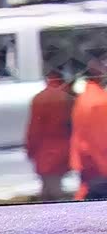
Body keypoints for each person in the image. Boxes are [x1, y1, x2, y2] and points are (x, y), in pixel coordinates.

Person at [25, 66, 75, 201]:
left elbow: (34, 129)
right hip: (64, 147)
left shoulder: (40, 98)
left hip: (45, 151)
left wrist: (30, 150)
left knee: (52, 189)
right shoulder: (69, 97)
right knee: (50, 188)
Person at [70, 58, 107, 201]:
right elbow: (100, 141)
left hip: (87, 163)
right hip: (98, 166)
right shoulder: (99, 101)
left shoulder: (84, 97)